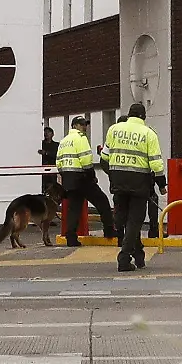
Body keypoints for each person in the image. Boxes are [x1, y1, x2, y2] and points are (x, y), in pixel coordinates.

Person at [102, 103, 165, 272]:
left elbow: (104, 157)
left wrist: (113, 175)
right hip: (139, 182)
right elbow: (156, 163)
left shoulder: (113, 129)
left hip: (118, 181)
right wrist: (162, 184)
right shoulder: (148, 134)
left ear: (129, 115)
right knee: (135, 221)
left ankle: (139, 254)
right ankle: (124, 258)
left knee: (124, 220)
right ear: (143, 117)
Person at [55, 115, 115, 245]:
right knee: (102, 202)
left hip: (68, 178)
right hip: (82, 177)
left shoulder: (64, 141)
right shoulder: (81, 138)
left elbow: (58, 161)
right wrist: (92, 176)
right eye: (82, 124)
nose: (85, 127)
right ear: (75, 126)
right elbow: (86, 160)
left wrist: (64, 175)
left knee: (74, 208)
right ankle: (109, 231)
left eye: (85, 124)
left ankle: (71, 238)